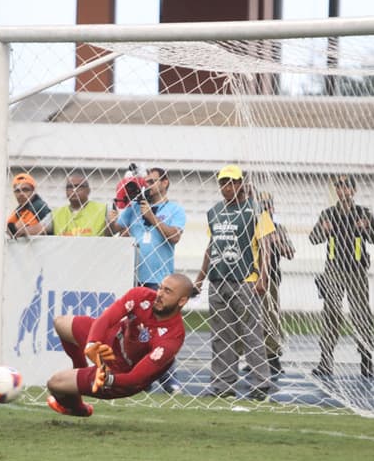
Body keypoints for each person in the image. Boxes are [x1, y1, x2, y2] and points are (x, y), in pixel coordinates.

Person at [46, 273, 195, 417]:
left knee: (55, 383)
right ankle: (79, 369)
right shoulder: (141, 296)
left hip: (119, 373)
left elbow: (135, 378)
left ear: (181, 301)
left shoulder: (172, 337)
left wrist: (108, 379)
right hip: (110, 343)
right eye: (160, 288)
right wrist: (92, 343)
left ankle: (79, 409)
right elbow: (106, 319)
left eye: (167, 291)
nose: (160, 294)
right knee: (60, 323)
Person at [194, 164, 275, 400]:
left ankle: (261, 384)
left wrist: (263, 277)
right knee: (221, 336)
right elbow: (211, 247)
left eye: (231, 182)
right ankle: (222, 385)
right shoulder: (214, 212)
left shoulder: (256, 210)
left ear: (240, 184)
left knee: (251, 334)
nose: (226, 187)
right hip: (218, 279)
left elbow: (266, 246)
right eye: (222, 182)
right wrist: (200, 279)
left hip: (245, 280)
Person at [111, 167, 187, 393]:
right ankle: (141, 377)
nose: (148, 186)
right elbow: (114, 227)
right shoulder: (135, 207)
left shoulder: (174, 209)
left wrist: (151, 218)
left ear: (165, 183)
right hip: (134, 279)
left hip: (160, 283)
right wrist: (118, 203)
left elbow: (174, 237)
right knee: (135, 333)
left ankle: (168, 379)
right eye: (146, 182)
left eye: (153, 182)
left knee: (161, 334)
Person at [309, 174, 374, 378]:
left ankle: (366, 360)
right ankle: (326, 361)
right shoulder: (328, 214)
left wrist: (367, 228)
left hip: (357, 271)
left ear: (353, 190)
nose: (342, 190)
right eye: (338, 187)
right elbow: (313, 239)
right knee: (331, 314)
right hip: (334, 270)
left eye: (346, 187)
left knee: (361, 314)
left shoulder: (363, 213)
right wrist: (323, 230)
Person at [257, 192, 295, 380]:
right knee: (251, 320)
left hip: (270, 278)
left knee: (270, 318)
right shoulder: (252, 226)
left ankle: (272, 358)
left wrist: (278, 243)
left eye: (267, 207)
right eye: (262, 207)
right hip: (250, 277)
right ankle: (255, 358)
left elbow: (290, 252)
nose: (265, 210)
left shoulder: (278, 229)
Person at [48, 170, 109, 236]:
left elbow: (117, 226)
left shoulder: (103, 210)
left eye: (78, 186)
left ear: (88, 190)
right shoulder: (56, 213)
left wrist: (112, 223)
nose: (74, 190)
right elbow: (39, 229)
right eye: (70, 187)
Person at [6, 172, 51, 238]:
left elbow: (15, 230)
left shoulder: (38, 206)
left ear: (34, 191)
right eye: (17, 191)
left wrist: (10, 228)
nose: (21, 194)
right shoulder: (21, 207)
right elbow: (8, 227)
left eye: (25, 190)